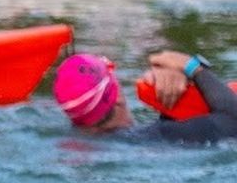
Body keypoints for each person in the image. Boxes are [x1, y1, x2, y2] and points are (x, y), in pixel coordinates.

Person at [53, 51, 237, 142]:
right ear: (116, 98)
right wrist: (190, 66)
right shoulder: (161, 135)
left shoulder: (74, 142)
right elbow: (232, 119)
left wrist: (171, 105)